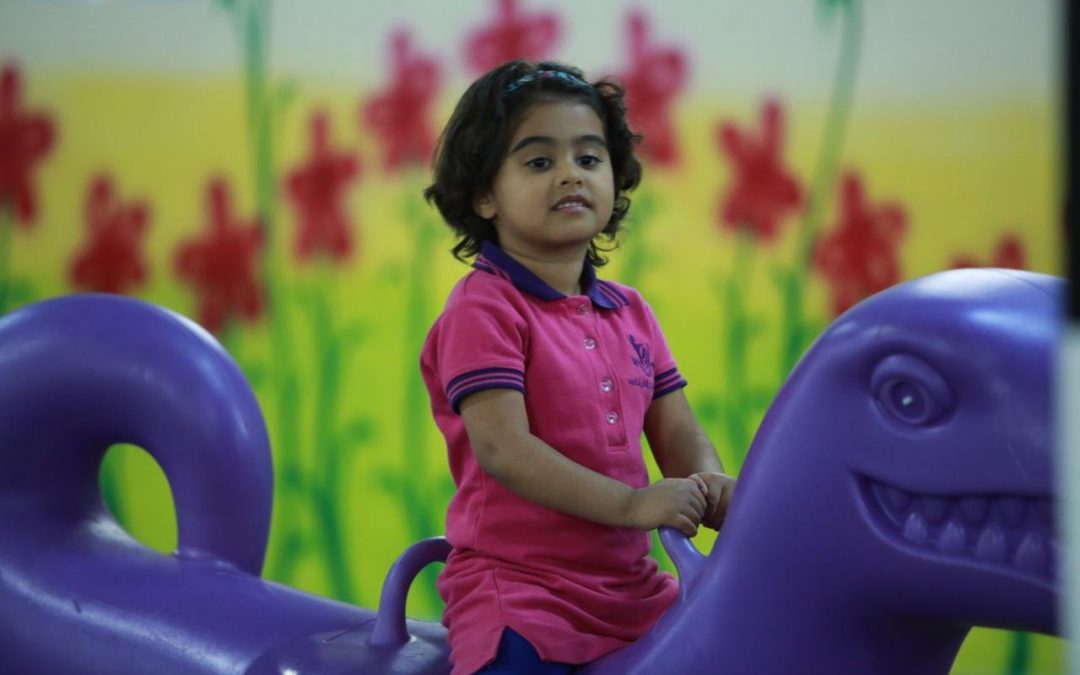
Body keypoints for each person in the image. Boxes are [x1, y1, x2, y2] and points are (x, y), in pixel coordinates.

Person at [420, 59, 736, 675]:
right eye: (540, 162)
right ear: (484, 195)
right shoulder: (483, 309)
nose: (570, 174)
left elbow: (678, 431)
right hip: (523, 590)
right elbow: (504, 450)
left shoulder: (631, 311)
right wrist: (632, 505)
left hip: (632, 589)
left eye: (589, 158)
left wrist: (709, 482)